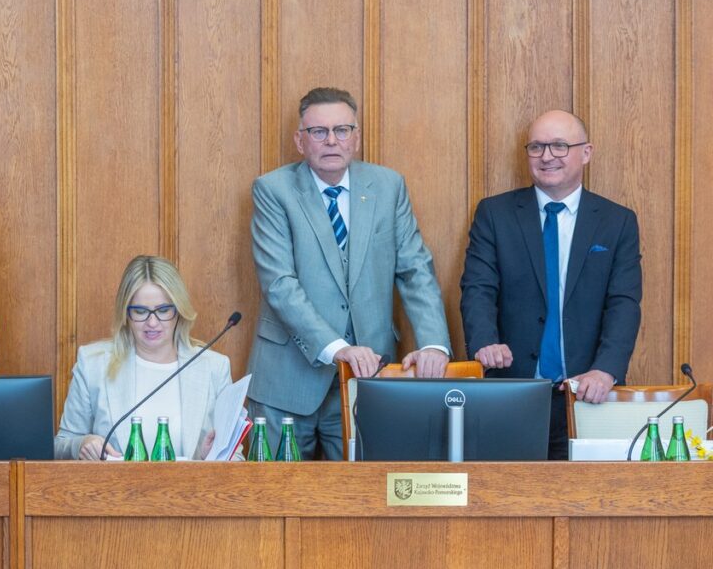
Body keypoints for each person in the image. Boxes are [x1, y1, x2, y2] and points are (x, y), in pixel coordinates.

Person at [247, 87, 451, 459]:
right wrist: (338, 349)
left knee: (365, 504)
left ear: (356, 138)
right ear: (299, 140)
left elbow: (415, 269)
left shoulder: (388, 186)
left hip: (369, 377)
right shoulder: (273, 190)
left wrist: (434, 343)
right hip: (287, 383)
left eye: (342, 130)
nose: (331, 141)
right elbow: (280, 285)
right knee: (278, 502)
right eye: (318, 132)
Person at [460, 109, 642, 459]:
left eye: (560, 146)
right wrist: (484, 341)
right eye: (537, 147)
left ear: (585, 153)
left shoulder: (617, 222)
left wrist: (606, 370)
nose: (547, 157)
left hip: (587, 395)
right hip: (510, 392)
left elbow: (623, 302)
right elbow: (478, 288)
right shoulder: (494, 214)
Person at [55, 255, 235, 460]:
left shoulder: (214, 368)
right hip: (113, 490)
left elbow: (235, 456)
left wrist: (210, 458)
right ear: (125, 313)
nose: (152, 322)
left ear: (179, 311)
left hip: (193, 490)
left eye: (163, 310)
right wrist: (81, 444)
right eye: (140, 311)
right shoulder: (93, 365)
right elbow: (60, 445)